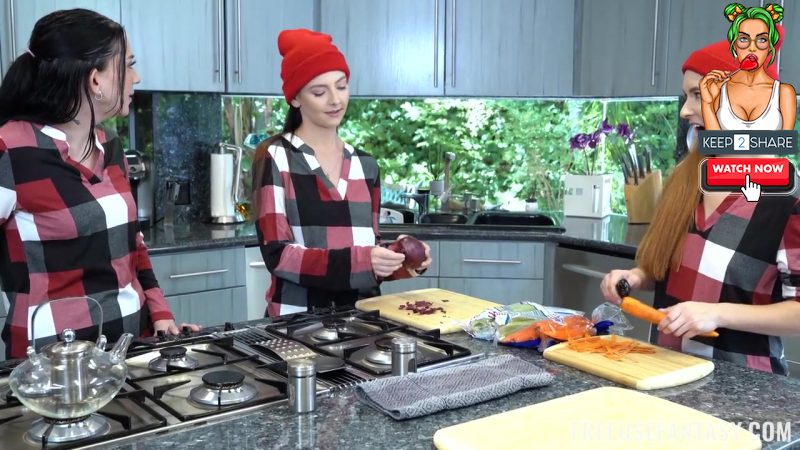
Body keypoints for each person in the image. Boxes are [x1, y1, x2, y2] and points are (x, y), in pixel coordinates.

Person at [599, 26, 800, 376]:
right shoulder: (685, 179)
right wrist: (635, 277)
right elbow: (669, 270)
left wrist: (716, 313)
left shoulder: (787, 200)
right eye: (687, 96)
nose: (685, 111)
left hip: (743, 386)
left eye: (698, 95)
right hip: (664, 371)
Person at [0, 9, 200, 359]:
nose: (136, 77)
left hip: (130, 352)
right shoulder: (11, 150)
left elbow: (133, 243)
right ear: (95, 80)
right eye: (129, 65)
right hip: (52, 365)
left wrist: (160, 314)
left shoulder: (111, 146)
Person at [252, 29, 433, 317]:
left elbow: (365, 253)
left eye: (342, 86)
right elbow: (279, 255)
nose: (336, 100)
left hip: (362, 319)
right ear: (296, 98)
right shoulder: (276, 156)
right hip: (296, 320)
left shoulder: (366, 165)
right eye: (319, 92)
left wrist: (399, 258)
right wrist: (364, 260)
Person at [701, 3, 795, 131]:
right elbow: (713, 141)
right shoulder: (719, 90)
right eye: (744, 39)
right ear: (734, 45)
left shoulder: (784, 93)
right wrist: (707, 103)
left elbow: (785, 141)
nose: (752, 48)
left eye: (761, 40)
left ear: (770, 47)